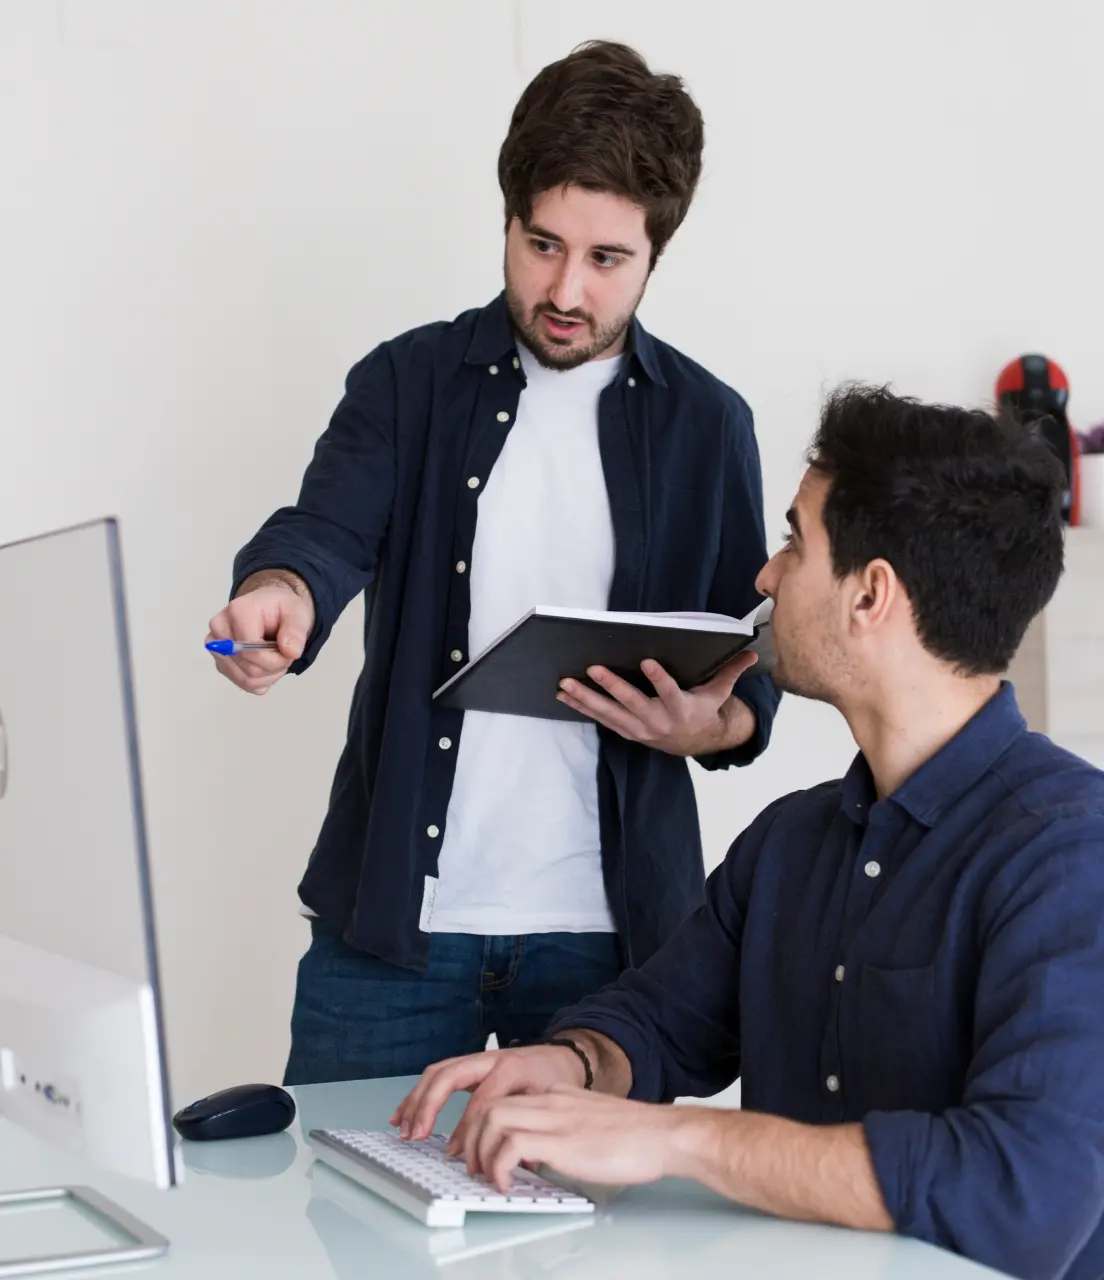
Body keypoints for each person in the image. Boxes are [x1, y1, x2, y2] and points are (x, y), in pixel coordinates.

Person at [394, 385, 1104, 1280]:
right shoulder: (790, 843)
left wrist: (675, 1139)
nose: (766, 578)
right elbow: (658, 1022)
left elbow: (1021, 1194)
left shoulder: (1071, 856)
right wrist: (574, 1065)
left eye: (795, 541)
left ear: (870, 594)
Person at [206, 41, 780, 1086]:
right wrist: (274, 594)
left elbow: (758, 650)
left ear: (657, 254)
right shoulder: (406, 380)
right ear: (507, 218)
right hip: (393, 931)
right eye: (541, 243)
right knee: (337, 1227)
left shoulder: (710, 423)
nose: (564, 288)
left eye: (606, 259)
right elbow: (323, 532)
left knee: (595, 1248)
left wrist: (720, 722)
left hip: (609, 950)